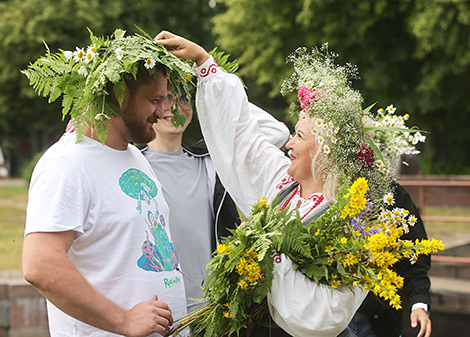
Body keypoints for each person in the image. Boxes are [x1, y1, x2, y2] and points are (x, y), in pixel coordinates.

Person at [153, 32, 392, 337]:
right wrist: (203, 64)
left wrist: (260, 257)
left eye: (300, 136)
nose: (289, 142)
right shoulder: (285, 184)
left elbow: (323, 317)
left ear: (325, 154)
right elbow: (242, 140)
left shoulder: (350, 222)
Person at [22, 30, 194, 337]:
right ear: (117, 94)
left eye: (166, 99)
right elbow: (40, 264)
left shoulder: (134, 156)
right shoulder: (67, 164)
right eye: (155, 100)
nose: (165, 111)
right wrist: (123, 320)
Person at [140, 88, 290, 314]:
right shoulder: (132, 164)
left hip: (210, 310)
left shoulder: (212, 162)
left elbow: (276, 132)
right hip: (155, 309)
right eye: (164, 99)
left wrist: (211, 89)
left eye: (183, 99)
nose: (175, 107)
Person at [348, 182, 432, 337]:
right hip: (329, 320)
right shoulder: (319, 190)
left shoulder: (392, 193)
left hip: (378, 321)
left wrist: (418, 303)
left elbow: (415, 262)